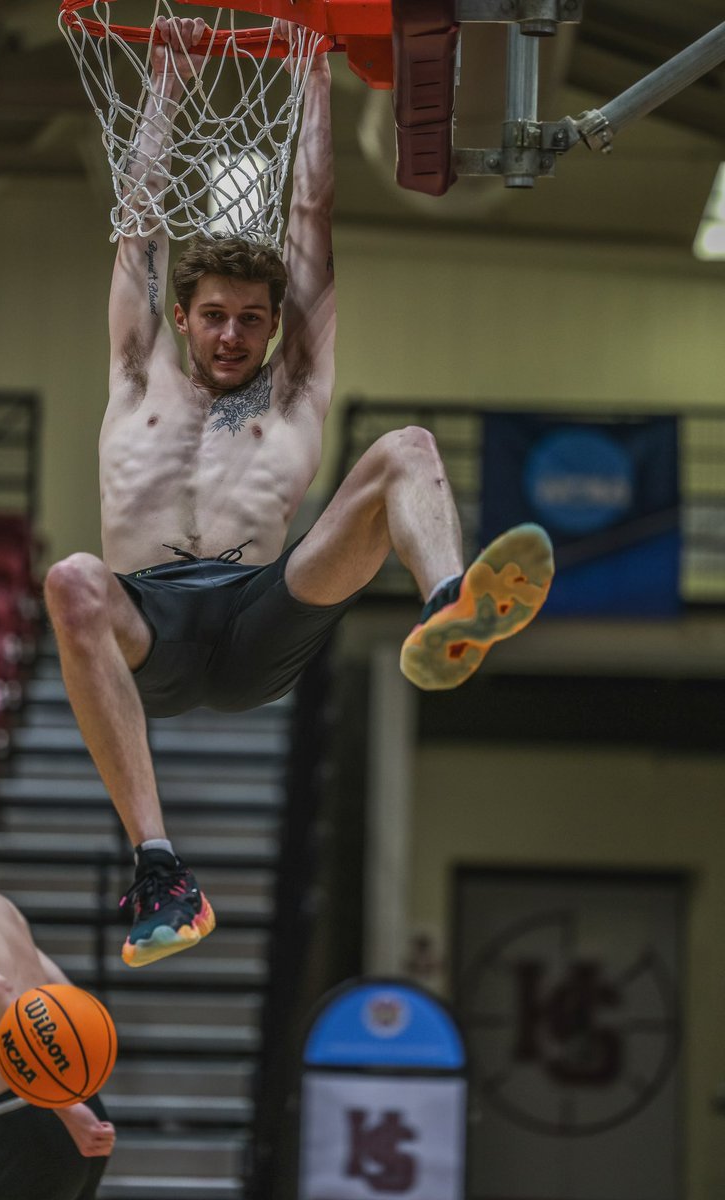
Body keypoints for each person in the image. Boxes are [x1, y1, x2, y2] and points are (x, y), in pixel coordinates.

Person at [44, 17, 555, 970]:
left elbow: (310, 218)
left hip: (262, 613)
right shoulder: (133, 371)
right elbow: (139, 219)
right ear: (182, 319)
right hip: (149, 623)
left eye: (250, 320)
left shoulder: (296, 385)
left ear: (275, 324)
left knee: (406, 445)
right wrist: (163, 77)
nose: (231, 335)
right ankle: (162, 872)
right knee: (72, 577)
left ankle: (453, 607)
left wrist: (312, 69)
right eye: (213, 318)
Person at [0, 853, 115, 1200]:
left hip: (20, 1113)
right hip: (75, 1100)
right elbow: (59, 989)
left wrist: (66, 1111)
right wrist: (72, 1101)